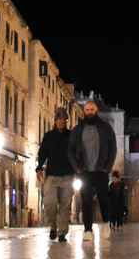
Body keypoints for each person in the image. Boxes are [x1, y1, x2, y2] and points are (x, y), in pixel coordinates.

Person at [67, 99, 117, 239]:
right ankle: (88, 230)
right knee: (86, 200)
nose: (89, 112)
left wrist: (108, 167)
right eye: (87, 110)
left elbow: (113, 148)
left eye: (92, 110)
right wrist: (77, 168)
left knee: (103, 199)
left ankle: (106, 223)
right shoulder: (77, 129)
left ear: (96, 111)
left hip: (101, 170)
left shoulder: (106, 128)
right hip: (84, 171)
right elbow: (70, 150)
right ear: (84, 111)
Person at [36, 107, 76, 242]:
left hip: (68, 176)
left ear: (66, 121)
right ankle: (53, 226)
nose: (62, 122)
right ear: (55, 121)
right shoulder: (48, 136)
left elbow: (77, 154)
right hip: (52, 176)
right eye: (59, 119)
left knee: (65, 206)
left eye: (64, 120)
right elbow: (42, 154)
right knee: (49, 204)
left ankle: (62, 233)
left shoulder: (72, 136)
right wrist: (39, 167)